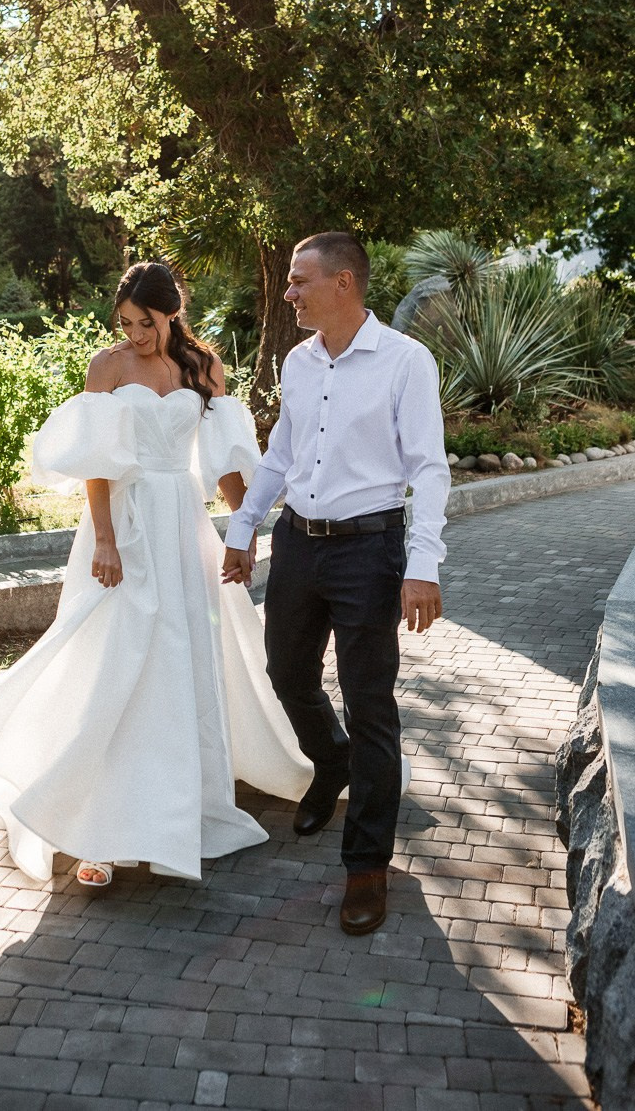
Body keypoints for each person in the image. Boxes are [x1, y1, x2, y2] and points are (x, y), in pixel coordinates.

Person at [0, 261, 313, 887]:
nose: (134, 334)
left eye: (146, 323)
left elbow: (224, 465)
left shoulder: (204, 368)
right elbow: (98, 466)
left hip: (183, 525)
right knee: (116, 659)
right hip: (124, 529)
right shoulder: (107, 368)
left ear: (172, 312)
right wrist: (105, 541)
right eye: (126, 324)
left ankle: (178, 807)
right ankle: (94, 831)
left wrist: (243, 531)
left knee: (181, 658)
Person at [223, 231, 448, 936]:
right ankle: (331, 759)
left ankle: (366, 867)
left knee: (371, 703)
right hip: (298, 543)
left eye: (299, 280)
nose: (287, 292)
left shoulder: (406, 363)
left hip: (369, 551)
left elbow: (430, 467)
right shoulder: (298, 360)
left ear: (344, 283)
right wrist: (243, 527)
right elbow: (281, 452)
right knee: (285, 672)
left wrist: (423, 564)